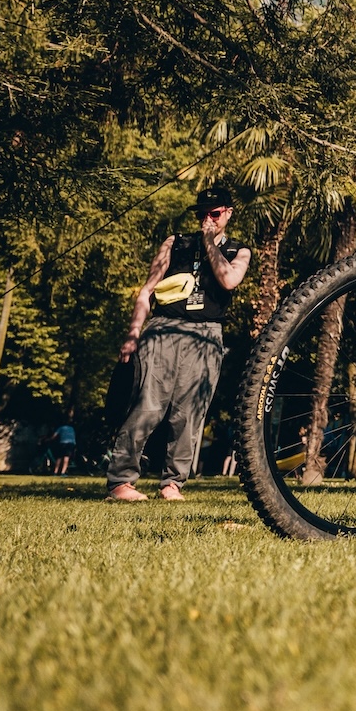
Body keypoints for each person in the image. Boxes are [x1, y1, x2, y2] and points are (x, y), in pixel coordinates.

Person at [107, 186, 251, 501]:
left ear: (228, 213)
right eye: (202, 214)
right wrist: (133, 334)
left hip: (207, 334)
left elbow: (229, 280)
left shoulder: (238, 251)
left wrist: (210, 243)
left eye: (214, 213)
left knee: (189, 413)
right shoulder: (175, 242)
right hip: (164, 328)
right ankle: (121, 481)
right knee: (147, 404)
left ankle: (172, 484)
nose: (207, 219)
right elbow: (147, 291)